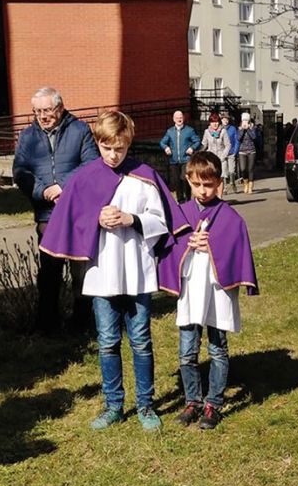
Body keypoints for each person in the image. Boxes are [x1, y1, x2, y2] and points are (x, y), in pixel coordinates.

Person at [40, 110, 190, 431]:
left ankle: (146, 405)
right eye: (107, 148)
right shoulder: (85, 176)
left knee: (140, 340)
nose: (113, 154)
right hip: (102, 271)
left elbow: (161, 220)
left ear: (128, 144)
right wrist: (96, 219)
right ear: (98, 143)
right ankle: (113, 405)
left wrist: (130, 219)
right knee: (107, 341)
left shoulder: (144, 175)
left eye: (119, 148)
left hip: (136, 270)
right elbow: (73, 218)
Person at [157, 151, 258, 430]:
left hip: (217, 292)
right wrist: (188, 243)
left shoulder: (230, 217)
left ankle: (213, 403)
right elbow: (168, 245)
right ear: (188, 180)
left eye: (209, 184)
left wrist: (211, 245)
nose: (203, 191)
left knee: (217, 349)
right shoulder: (181, 214)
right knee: (187, 352)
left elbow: (237, 248)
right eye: (198, 184)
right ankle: (193, 400)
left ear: (219, 183)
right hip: (191, 290)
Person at [13, 86, 99, 334]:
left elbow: (91, 163)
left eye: (47, 109)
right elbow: (20, 171)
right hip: (47, 214)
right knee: (49, 272)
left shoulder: (80, 130)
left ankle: (82, 323)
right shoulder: (27, 136)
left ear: (60, 108)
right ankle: (48, 324)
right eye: (38, 111)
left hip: (77, 210)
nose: (43, 115)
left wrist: (63, 187)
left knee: (80, 271)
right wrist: (43, 191)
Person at [159, 110, 201, 203]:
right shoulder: (170, 131)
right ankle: (180, 201)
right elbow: (162, 142)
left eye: (181, 117)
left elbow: (197, 141)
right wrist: (166, 147)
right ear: (174, 119)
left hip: (186, 159)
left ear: (183, 118)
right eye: (177, 118)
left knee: (185, 179)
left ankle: (188, 198)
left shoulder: (189, 130)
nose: (179, 119)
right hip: (174, 160)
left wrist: (192, 148)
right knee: (177, 181)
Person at [200, 113, 230, 199]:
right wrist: (200, 153)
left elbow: (228, 145)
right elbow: (204, 144)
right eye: (213, 122)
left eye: (217, 122)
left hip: (221, 158)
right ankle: (212, 196)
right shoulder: (207, 132)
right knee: (211, 178)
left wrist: (223, 156)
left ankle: (219, 197)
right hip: (211, 159)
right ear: (210, 123)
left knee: (220, 178)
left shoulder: (223, 131)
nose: (215, 124)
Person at [237, 113, 257, 194]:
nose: (245, 121)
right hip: (242, 151)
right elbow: (238, 138)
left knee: (250, 169)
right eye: (243, 120)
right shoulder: (239, 128)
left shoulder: (252, 127)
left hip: (251, 150)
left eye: (246, 120)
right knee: (243, 169)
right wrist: (242, 129)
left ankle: (250, 187)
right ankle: (245, 183)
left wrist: (248, 129)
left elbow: (254, 137)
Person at [220, 113, 239, 193]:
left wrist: (235, 151)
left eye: (227, 119)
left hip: (231, 152)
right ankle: (224, 188)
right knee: (223, 171)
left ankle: (232, 183)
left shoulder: (233, 129)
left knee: (232, 170)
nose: (226, 121)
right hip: (222, 153)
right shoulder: (219, 129)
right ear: (221, 120)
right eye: (224, 119)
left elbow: (237, 140)